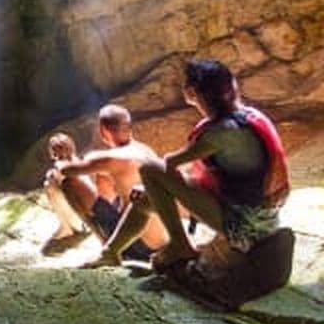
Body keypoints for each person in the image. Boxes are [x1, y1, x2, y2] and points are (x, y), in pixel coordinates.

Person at [86, 59, 289, 270]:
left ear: (191, 92)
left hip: (246, 226)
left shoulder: (221, 132)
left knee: (149, 169)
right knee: (146, 198)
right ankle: (110, 253)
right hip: (261, 218)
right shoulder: (249, 116)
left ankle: (180, 245)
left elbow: (168, 164)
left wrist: (152, 182)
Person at [50, 104, 168, 260]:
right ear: (129, 127)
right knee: (103, 177)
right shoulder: (145, 150)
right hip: (162, 239)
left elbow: (67, 170)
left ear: (103, 131)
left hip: (140, 245)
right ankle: (112, 237)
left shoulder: (111, 158)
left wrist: (62, 157)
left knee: (69, 183)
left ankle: (106, 247)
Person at [41, 133, 90, 253]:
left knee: (49, 186)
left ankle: (66, 227)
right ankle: (66, 226)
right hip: (90, 219)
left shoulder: (61, 168)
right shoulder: (82, 162)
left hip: (83, 220)